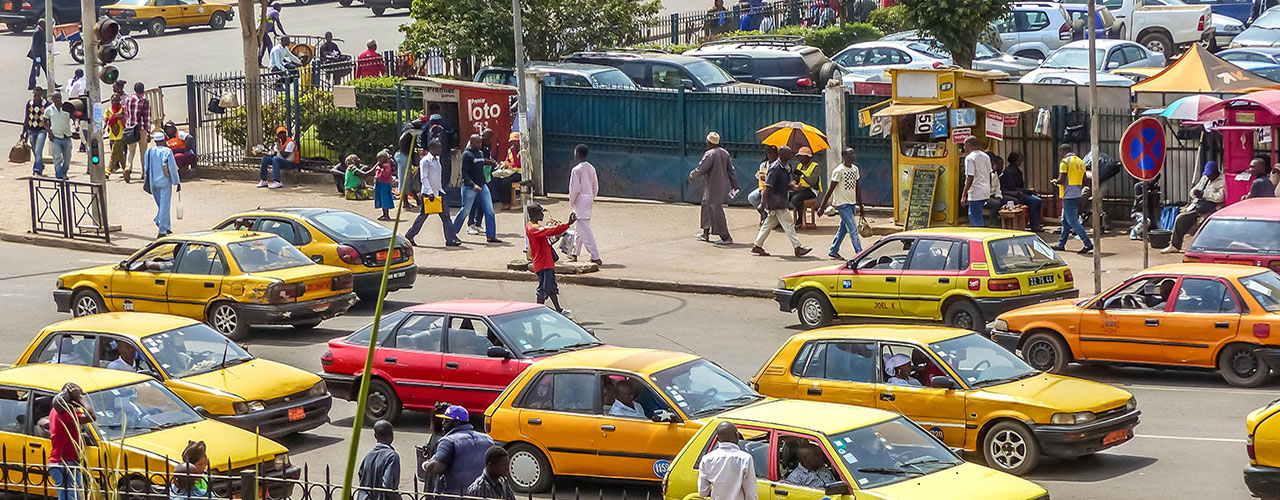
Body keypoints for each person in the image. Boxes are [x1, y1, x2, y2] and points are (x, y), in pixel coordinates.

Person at [752, 146, 812, 257]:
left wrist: (793, 187)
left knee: (769, 223)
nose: (791, 155)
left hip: (780, 200)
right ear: (782, 154)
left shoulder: (785, 167)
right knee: (789, 224)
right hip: (776, 202)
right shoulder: (775, 168)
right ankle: (797, 247)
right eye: (789, 153)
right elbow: (767, 187)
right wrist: (762, 203)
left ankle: (757, 245)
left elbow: (785, 184)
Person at [422, 405, 493, 496]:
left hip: (455, 495)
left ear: (456, 422)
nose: (443, 423)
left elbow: (436, 466)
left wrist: (425, 465)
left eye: (447, 421)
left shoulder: (448, 441)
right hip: (482, 495)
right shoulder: (488, 439)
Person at [406, 139, 462, 247]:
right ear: (431, 149)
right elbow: (424, 177)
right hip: (429, 194)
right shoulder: (425, 161)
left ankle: (450, 238)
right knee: (423, 216)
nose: (440, 150)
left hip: (439, 191)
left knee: (446, 216)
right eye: (438, 148)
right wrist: (430, 192)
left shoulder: (437, 159)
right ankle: (409, 235)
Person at [1163, 161, 1225, 254]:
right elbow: (1193, 191)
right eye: (1207, 174)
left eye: (1211, 174)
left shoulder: (1223, 181)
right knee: (1180, 219)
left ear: (1216, 172)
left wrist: (1204, 194)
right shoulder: (1205, 178)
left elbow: (1220, 197)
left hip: (1212, 207)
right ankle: (1175, 245)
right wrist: (1195, 192)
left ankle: (1202, 248)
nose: (1209, 176)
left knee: (1204, 223)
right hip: (1198, 205)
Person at [526, 204, 576, 316]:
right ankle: (537, 312)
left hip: (547, 262)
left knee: (552, 287)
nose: (542, 215)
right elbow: (548, 231)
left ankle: (559, 309)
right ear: (534, 215)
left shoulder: (535, 227)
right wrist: (567, 224)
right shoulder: (533, 228)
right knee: (543, 289)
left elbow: (548, 239)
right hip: (542, 263)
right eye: (540, 213)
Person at [690, 131, 740, 244]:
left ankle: (725, 237)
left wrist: (693, 174)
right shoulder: (724, 153)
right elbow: (731, 171)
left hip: (712, 185)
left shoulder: (710, 154)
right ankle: (705, 233)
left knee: (715, 209)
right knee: (706, 207)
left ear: (709, 142)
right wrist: (734, 184)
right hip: (719, 184)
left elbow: (702, 168)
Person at [48, 383, 95, 500]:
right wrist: (80, 398)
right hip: (64, 463)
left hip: (62, 462)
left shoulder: (55, 411)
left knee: (67, 496)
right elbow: (91, 416)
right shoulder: (66, 415)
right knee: (73, 496)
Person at [818, 147, 865, 260]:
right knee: (853, 229)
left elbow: (857, 187)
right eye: (850, 155)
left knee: (843, 228)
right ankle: (860, 254)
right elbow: (831, 189)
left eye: (853, 154)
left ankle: (834, 250)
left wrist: (860, 204)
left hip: (851, 203)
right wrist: (822, 206)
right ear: (844, 157)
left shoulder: (855, 169)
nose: (853, 156)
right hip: (842, 204)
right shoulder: (839, 171)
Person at [452, 134, 500, 243]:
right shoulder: (466, 155)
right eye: (477, 143)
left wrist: (489, 162)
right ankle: (452, 233)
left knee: (490, 210)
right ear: (471, 142)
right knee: (465, 210)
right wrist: (473, 185)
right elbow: (464, 173)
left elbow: (480, 164)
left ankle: (491, 236)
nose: (479, 145)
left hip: (482, 185)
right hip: (469, 187)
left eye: (480, 143)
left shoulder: (480, 153)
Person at [698, 422, 757, 500]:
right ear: (737, 436)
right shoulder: (745, 459)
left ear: (717, 439)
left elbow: (702, 492)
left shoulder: (707, 459)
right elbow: (751, 494)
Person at [1054, 144, 1093, 254]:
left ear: (1062, 151)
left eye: (1060, 152)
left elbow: (1062, 179)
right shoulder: (1080, 162)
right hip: (1077, 194)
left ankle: (1087, 243)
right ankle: (1061, 244)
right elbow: (1085, 180)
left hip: (1068, 195)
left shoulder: (1065, 162)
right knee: (1065, 221)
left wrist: (1055, 181)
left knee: (1073, 221)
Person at [568, 144, 602, 263]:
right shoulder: (591, 168)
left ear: (577, 154)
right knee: (579, 227)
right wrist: (591, 197)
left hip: (580, 200)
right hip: (588, 198)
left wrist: (572, 201)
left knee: (585, 229)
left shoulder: (576, 170)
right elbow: (595, 186)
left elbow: (574, 189)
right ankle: (574, 253)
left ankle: (595, 256)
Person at [144, 132, 181, 238]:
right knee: (165, 206)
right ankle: (162, 229)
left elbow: (146, 168)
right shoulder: (167, 151)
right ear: (164, 140)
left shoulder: (149, 151)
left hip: (153, 181)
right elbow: (172, 168)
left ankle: (166, 226)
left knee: (161, 205)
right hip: (164, 182)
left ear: (155, 141)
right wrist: (177, 182)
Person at [998, 151, 1043, 232]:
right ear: (1014, 161)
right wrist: (1028, 191)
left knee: (1038, 200)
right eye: (1019, 160)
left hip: (1021, 192)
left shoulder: (1018, 171)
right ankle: (1034, 225)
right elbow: (1013, 188)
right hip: (1015, 194)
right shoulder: (1008, 172)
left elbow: (1021, 185)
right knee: (1035, 201)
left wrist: (1028, 190)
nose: (1020, 162)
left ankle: (1035, 222)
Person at [466, 129, 499, 234]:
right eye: (488, 139)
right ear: (483, 136)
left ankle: (478, 223)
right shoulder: (472, 147)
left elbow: (486, 158)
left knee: (483, 203)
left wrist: (491, 162)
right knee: (474, 202)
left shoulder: (485, 146)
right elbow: (473, 162)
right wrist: (486, 162)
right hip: (474, 179)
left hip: (484, 176)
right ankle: (470, 224)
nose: (490, 141)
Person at [357, 420, 400, 500]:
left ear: (375, 436)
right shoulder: (392, 457)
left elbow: (361, 475)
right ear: (392, 435)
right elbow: (387, 485)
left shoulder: (368, 455)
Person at [123, 82, 153, 183]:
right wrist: (148, 132)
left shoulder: (128, 99)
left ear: (135, 90)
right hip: (141, 129)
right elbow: (147, 117)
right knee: (143, 151)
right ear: (143, 90)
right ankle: (144, 172)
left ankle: (128, 167)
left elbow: (126, 114)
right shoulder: (145, 101)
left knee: (131, 151)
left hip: (131, 129)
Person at [396, 115, 427, 208]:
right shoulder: (410, 129)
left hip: (405, 155)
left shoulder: (410, 127)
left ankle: (417, 200)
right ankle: (405, 202)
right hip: (403, 155)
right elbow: (402, 141)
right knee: (404, 179)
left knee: (408, 178)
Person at [961, 136, 991, 227]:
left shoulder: (970, 158)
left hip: (975, 192)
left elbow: (970, 177)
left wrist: (963, 195)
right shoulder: (986, 156)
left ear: (969, 145)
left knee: (976, 219)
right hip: (985, 191)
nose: (964, 148)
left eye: (964, 145)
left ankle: (979, 238)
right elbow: (989, 174)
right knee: (975, 215)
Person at [424, 104, 456, 188]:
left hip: (431, 156)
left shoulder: (427, 126)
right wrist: (450, 148)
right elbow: (452, 137)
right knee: (445, 174)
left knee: (431, 174)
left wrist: (426, 149)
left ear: (429, 111)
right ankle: (443, 191)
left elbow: (422, 139)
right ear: (439, 111)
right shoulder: (446, 124)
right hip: (445, 154)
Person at [44, 92, 73, 180]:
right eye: (55, 98)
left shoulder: (66, 108)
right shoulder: (49, 110)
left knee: (67, 159)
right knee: (56, 158)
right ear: (52, 100)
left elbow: (74, 117)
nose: (58, 100)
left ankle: (64, 173)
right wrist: (49, 132)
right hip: (55, 137)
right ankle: (59, 176)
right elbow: (45, 122)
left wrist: (76, 125)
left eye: (59, 98)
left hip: (66, 136)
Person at [492, 132, 524, 209]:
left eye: (514, 141)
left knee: (506, 181)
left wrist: (509, 164)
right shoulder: (510, 150)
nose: (513, 143)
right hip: (511, 172)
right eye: (512, 142)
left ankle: (508, 202)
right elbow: (507, 161)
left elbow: (518, 164)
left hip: (521, 173)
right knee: (496, 179)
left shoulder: (523, 150)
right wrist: (503, 164)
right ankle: (503, 201)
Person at [789, 147, 821, 216]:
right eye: (799, 158)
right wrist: (793, 173)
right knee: (786, 195)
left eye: (802, 158)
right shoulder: (800, 166)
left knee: (796, 199)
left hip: (812, 191)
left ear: (808, 157)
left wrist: (802, 175)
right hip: (801, 189)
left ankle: (800, 218)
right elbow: (797, 180)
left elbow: (812, 182)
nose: (800, 160)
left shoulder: (815, 167)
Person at [748, 146, 778, 218]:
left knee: (768, 196)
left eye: (774, 154)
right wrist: (761, 189)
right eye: (769, 153)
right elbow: (760, 179)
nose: (771, 156)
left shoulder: (779, 165)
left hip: (775, 188)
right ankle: (764, 213)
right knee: (752, 197)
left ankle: (772, 216)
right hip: (764, 187)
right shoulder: (763, 165)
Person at [23, 86, 47, 177]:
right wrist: (23, 132)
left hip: (42, 130)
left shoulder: (46, 104)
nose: (36, 95)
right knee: (34, 150)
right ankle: (41, 165)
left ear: (41, 94)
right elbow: (26, 118)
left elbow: (48, 118)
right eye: (35, 93)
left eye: (38, 93)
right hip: (31, 130)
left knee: (38, 150)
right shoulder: (30, 104)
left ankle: (36, 170)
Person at [104, 94, 128, 179]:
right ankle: (126, 169)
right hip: (112, 135)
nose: (114, 102)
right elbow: (106, 119)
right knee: (120, 154)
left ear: (119, 101)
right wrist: (104, 127)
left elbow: (126, 117)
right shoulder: (109, 110)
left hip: (121, 135)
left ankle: (108, 172)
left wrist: (120, 116)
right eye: (112, 100)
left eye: (116, 100)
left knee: (113, 154)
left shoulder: (123, 109)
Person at [258, 3, 286, 67]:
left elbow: (272, 24)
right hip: (263, 31)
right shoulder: (276, 12)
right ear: (277, 7)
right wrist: (284, 33)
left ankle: (259, 62)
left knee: (264, 46)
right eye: (280, 8)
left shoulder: (270, 11)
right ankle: (274, 62)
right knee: (270, 46)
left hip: (260, 30)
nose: (280, 10)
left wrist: (275, 33)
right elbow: (278, 24)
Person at [373, 151, 396, 221]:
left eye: (381, 158)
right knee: (381, 199)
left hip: (385, 185)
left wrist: (381, 169)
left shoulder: (387, 166)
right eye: (378, 159)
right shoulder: (378, 166)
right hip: (379, 184)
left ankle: (387, 215)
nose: (379, 160)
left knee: (385, 199)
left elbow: (386, 175)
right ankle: (383, 214)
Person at [27, 19, 45, 91]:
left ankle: (31, 84)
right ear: (41, 24)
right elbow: (36, 46)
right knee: (35, 69)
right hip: (38, 55)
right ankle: (31, 84)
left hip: (40, 54)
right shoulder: (37, 32)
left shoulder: (40, 31)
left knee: (45, 68)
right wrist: (37, 57)